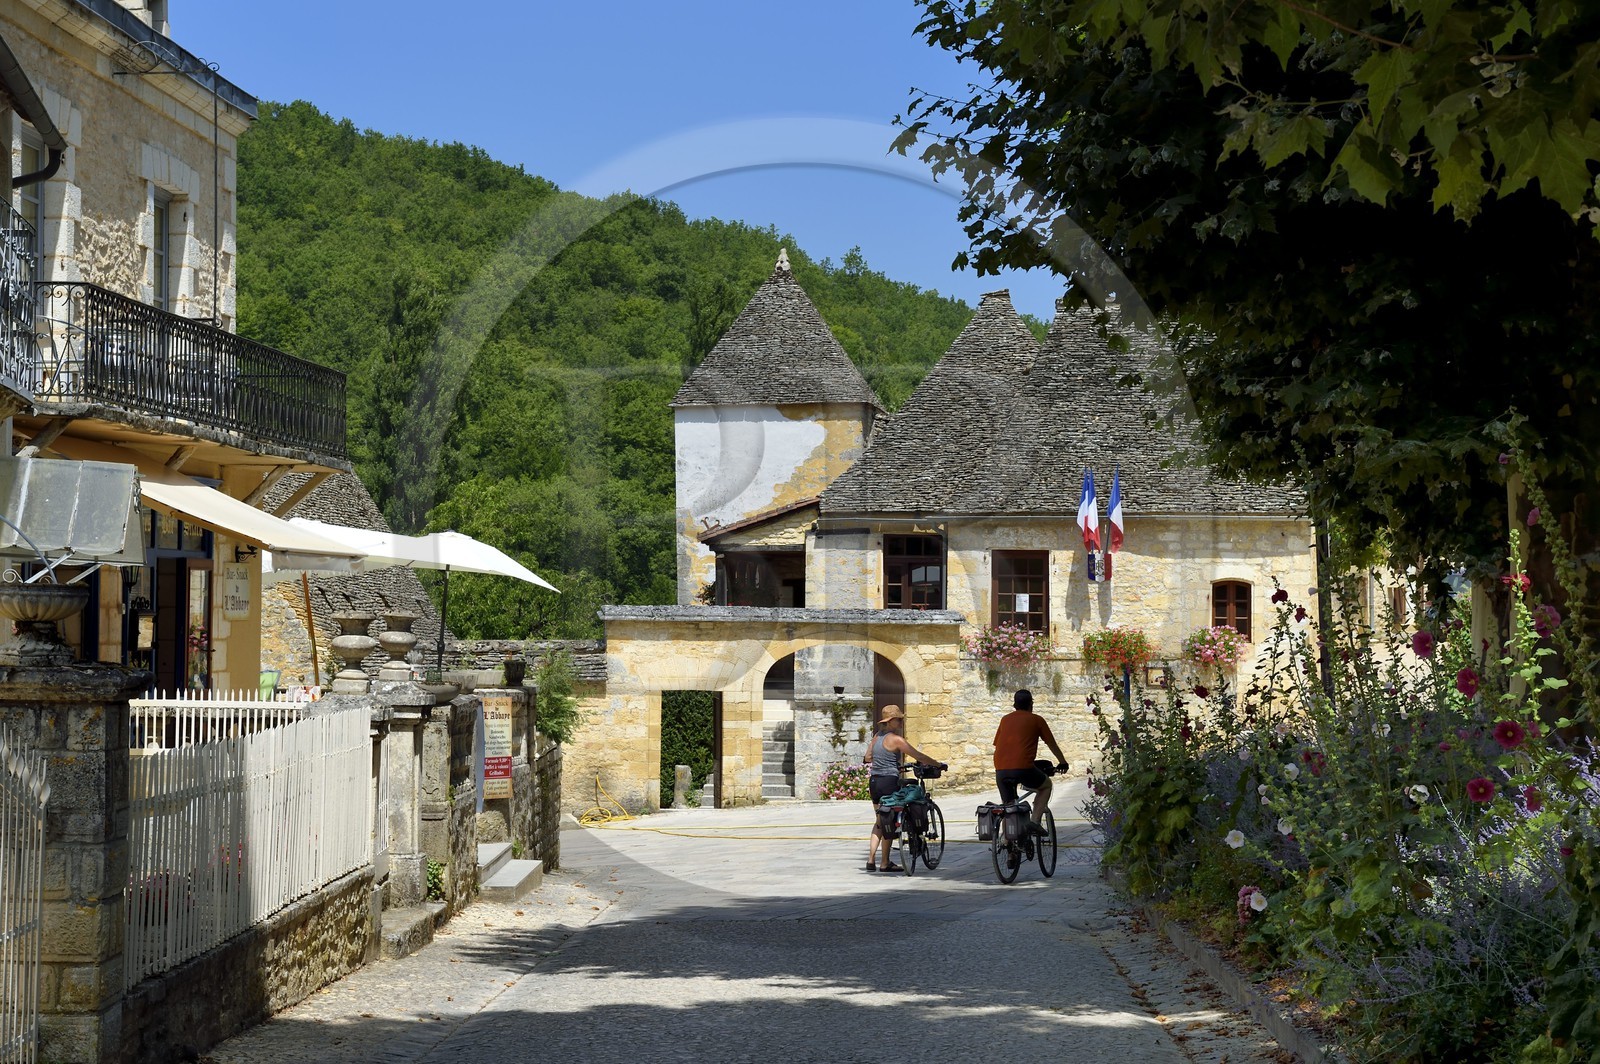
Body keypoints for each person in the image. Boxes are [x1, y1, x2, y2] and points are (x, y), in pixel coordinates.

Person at [863, 705, 942, 872]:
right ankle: (884, 862)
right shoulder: (896, 740)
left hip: (874, 782)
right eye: (899, 719)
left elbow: (867, 757)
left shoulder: (877, 737)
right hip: (888, 782)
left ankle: (871, 860)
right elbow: (918, 756)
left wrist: (883, 759)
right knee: (889, 821)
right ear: (891, 721)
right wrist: (938, 764)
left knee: (879, 820)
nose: (901, 722)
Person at [993, 689, 1068, 835]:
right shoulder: (1037, 720)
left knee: (1009, 807)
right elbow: (1052, 744)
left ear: (1015, 705)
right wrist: (1062, 762)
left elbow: (998, 745)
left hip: (1001, 770)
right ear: (1031, 704)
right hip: (1024, 768)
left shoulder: (1004, 719)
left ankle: (1007, 845)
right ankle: (1034, 822)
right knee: (1046, 785)